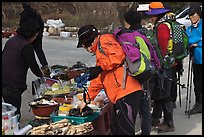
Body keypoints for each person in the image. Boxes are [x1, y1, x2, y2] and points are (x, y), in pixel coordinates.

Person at [76, 25, 144, 135]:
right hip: (119, 95)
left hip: (127, 92)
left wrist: (100, 67)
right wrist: (86, 99)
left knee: (124, 131)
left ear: (86, 42)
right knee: (115, 129)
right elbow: (98, 80)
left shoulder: (104, 39)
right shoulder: (100, 53)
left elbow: (118, 55)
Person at [2, 19, 43, 121]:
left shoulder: (11, 40)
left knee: (9, 112)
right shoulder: (26, 46)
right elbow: (33, 66)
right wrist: (43, 75)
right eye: (36, 35)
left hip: (4, 81)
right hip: (13, 85)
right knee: (14, 116)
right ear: (32, 34)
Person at [145, 2, 175, 133]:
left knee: (164, 93)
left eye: (152, 15)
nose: (150, 17)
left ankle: (169, 123)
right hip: (168, 63)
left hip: (164, 64)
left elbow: (161, 48)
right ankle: (156, 117)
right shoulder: (167, 22)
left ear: (156, 15)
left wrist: (159, 63)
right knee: (160, 91)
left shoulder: (162, 26)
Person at [123, 9, 152, 135]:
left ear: (128, 22)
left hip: (135, 75)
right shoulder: (147, 33)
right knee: (145, 108)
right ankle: (146, 132)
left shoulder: (130, 36)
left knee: (132, 109)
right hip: (148, 72)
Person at [19, 2, 50, 77]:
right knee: (39, 51)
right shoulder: (36, 13)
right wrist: (39, 33)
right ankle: (45, 67)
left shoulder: (24, 15)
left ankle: (24, 67)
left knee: (27, 52)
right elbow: (42, 24)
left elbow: (21, 26)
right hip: (37, 35)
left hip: (27, 36)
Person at [185, 3, 202, 114]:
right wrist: (197, 41)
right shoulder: (189, 29)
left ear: (199, 14)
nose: (191, 17)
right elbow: (188, 41)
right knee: (197, 82)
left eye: (193, 14)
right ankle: (199, 103)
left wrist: (196, 43)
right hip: (196, 59)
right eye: (190, 15)